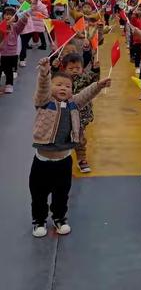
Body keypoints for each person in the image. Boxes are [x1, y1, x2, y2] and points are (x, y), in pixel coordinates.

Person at [29, 58, 110, 237]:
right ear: (51, 87)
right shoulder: (44, 102)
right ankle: (39, 220)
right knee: (39, 194)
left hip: (63, 161)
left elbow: (86, 95)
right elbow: (42, 87)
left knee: (62, 194)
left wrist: (98, 85)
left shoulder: (74, 103)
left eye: (67, 86)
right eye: (58, 85)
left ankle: (59, 218)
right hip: (42, 161)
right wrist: (44, 72)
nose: (63, 88)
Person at [61, 53, 101, 173]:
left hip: (81, 116)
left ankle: (81, 158)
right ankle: (62, 156)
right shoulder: (61, 80)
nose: (74, 71)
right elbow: (51, 82)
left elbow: (94, 80)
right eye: (71, 68)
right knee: (63, 137)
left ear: (82, 68)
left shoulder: (84, 78)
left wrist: (95, 69)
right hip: (64, 115)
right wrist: (52, 67)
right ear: (64, 69)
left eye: (77, 68)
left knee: (79, 138)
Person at [0, 7, 28, 94]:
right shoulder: (0, 25)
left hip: (11, 53)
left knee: (9, 70)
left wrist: (24, 18)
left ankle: (9, 84)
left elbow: (21, 25)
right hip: (1, 53)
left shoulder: (15, 27)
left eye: (10, 15)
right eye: (6, 14)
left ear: (14, 17)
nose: (8, 16)